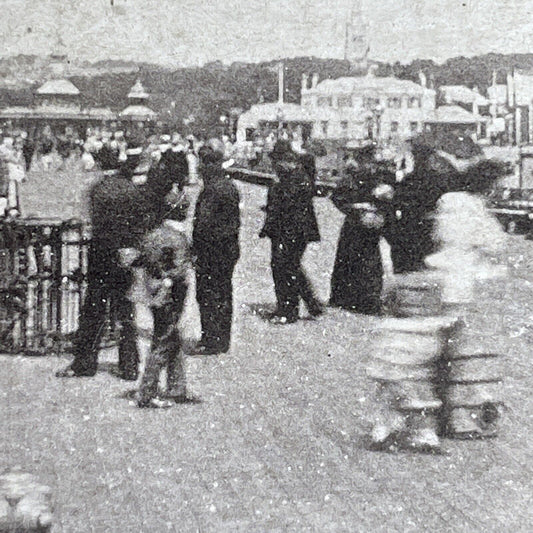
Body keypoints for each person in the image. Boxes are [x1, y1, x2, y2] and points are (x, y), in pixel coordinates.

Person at [56, 148, 148, 379]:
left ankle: (85, 364)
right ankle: (129, 366)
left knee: (94, 311)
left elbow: (93, 222)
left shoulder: (98, 189)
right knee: (126, 312)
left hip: (102, 256)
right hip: (126, 257)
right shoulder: (131, 189)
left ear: (99, 164)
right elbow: (140, 224)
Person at [259, 139, 322, 324]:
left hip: (292, 231)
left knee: (284, 267)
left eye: (276, 162)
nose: (274, 166)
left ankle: (288, 310)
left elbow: (288, 205)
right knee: (290, 266)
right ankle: (310, 304)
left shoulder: (296, 178)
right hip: (287, 230)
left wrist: (276, 190)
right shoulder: (291, 177)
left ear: (287, 160)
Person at [329, 144, 395, 315]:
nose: (369, 164)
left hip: (370, 224)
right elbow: (338, 197)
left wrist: (380, 206)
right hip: (354, 223)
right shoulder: (352, 177)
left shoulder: (381, 176)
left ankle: (368, 300)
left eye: (371, 160)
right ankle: (344, 298)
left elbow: (390, 199)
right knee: (348, 260)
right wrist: (355, 207)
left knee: (369, 262)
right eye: (366, 160)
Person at [191, 139, 241, 354]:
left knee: (208, 294)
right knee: (224, 292)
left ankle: (211, 339)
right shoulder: (229, 186)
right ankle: (222, 340)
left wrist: (195, 249)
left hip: (211, 250)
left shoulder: (212, 190)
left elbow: (204, 224)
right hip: (228, 247)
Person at [135, 224, 192, 408]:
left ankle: (177, 386)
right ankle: (147, 391)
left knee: (171, 335)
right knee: (164, 339)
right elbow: (180, 269)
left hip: (154, 291)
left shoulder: (152, 235)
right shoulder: (179, 238)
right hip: (171, 293)